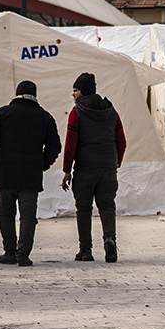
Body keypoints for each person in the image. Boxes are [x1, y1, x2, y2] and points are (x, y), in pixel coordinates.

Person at [0, 79, 60, 266]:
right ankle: (23, 254)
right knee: (28, 216)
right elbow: (54, 146)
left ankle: (9, 252)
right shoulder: (45, 117)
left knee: (6, 214)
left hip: (5, 174)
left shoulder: (3, 113)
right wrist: (42, 164)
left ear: (17, 93)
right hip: (31, 175)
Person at [62, 71, 126, 263]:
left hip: (85, 168)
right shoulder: (111, 111)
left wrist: (67, 170)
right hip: (108, 167)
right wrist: (116, 162)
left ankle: (85, 250)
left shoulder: (77, 113)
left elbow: (71, 143)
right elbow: (121, 141)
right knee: (107, 205)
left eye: (75, 90)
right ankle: (109, 239)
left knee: (83, 208)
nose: (73, 95)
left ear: (83, 92)